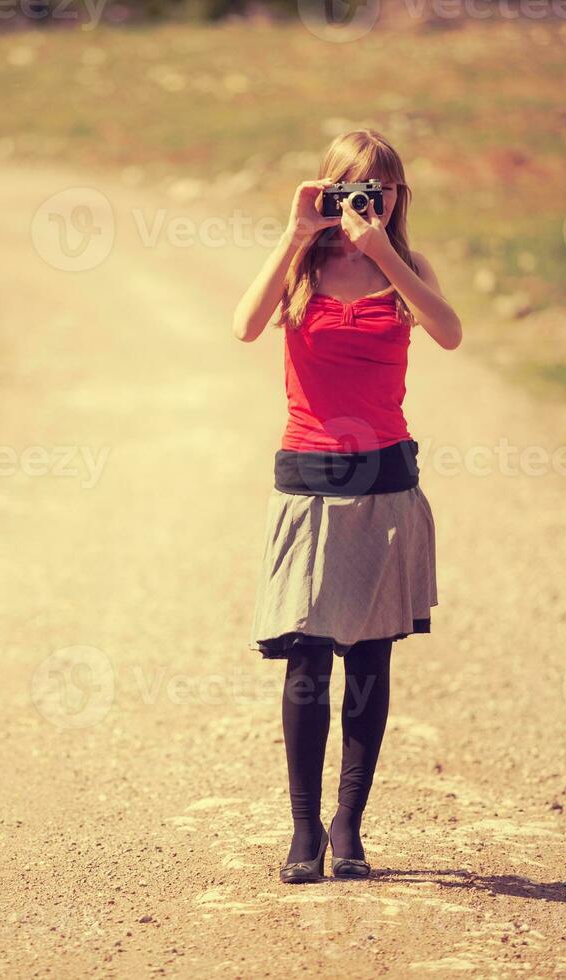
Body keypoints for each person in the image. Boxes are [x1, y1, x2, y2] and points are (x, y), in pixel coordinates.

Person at [232, 129, 462, 884]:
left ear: (399, 196)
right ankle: (303, 830)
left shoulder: (408, 269)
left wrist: (386, 250)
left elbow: (451, 334)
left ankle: (349, 826)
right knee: (304, 658)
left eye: (384, 188)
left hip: (385, 484)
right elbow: (244, 325)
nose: (369, 199)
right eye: (354, 187)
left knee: (369, 658)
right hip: (308, 480)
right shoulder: (302, 266)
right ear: (326, 190)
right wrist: (297, 233)